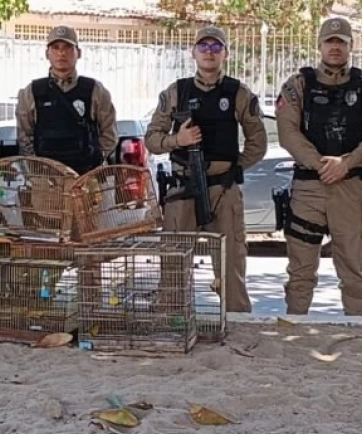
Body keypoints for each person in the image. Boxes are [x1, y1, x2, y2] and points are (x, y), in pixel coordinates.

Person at [145, 26, 267, 313]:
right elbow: (151, 139)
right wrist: (178, 140)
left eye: (216, 47)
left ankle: (236, 321)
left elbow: (257, 143)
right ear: (193, 52)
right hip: (183, 187)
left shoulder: (238, 92)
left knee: (231, 263)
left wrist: (232, 169)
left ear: (225, 53)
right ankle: (173, 321)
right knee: (174, 264)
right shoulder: (176, 91)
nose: (209, 52)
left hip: (222, 190)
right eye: (204, 46)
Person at [276, 17, 362, 315]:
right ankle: (296, 330)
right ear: (320, 45)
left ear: (352, 45)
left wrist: (347, 163)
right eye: (330, 41)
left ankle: (356, 336)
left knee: (356, 270)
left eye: (342, 42)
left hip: (350, 188)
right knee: (300, 270)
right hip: (309, 188)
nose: (335, 47)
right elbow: (288, 132)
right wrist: (322, 164)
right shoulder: (298, 84)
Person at [15, 25, 118, 175]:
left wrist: (94, 162)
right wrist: (39, 169)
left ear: (79, 53)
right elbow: (24, 137)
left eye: (68, 47)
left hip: (86, 178)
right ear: (47, 53)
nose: (61, 53)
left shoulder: (95, 90)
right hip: (45, 181)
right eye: (55, 47)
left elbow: (110, 135)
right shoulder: (32, 91)